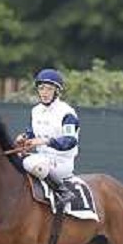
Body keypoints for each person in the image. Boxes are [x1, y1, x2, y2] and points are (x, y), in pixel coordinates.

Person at [16, 68, 79, 208]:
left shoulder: (67, 113)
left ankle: (63, 192)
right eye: (41, 88)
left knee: (28, 163)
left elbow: (70, 141)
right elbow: (32, 132)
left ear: (57, 91)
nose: (44, 93)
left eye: (49, 89)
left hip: (62, 161)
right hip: (42, 158)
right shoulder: (36, 110)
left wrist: (46, 141)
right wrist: (24, 137)